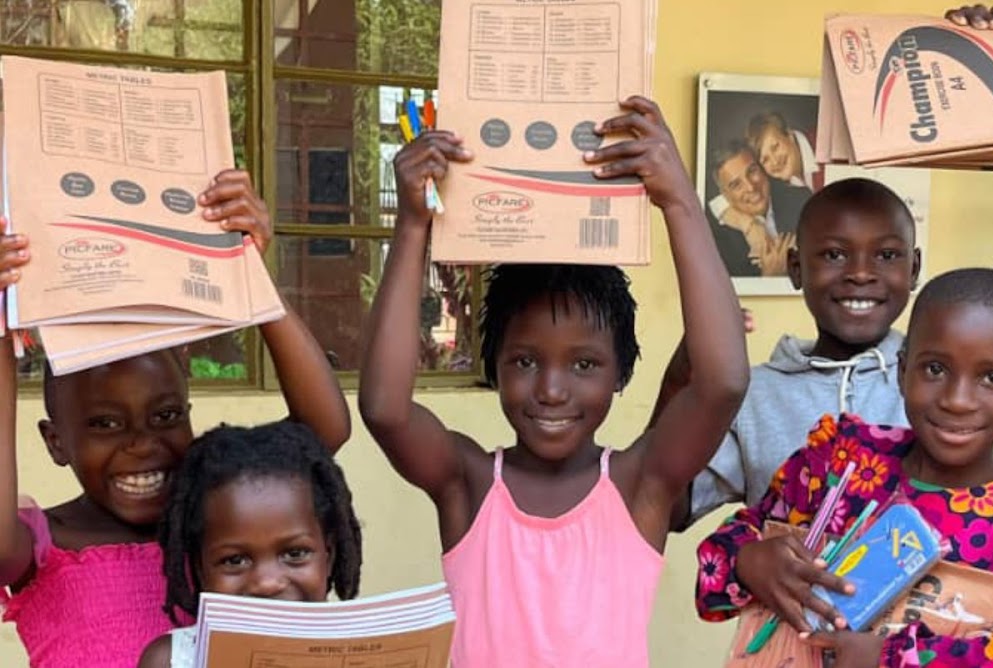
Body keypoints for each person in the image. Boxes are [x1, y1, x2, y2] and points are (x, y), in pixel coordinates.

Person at [358, 96, 749, 666]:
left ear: (622, 373)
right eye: (525, 361)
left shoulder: (640, 485)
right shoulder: (468, 484)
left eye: (584, 365)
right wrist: (414, 222)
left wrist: (679, 200)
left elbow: (723, 384)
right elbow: (385, 410)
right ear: (492, 366)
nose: (552, 389)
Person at [0, 170, 352, 668]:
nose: (142, 443)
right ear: (56, 442)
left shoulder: (218, 523)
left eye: (165, 415)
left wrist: (246, 268)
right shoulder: (44, 545)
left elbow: (322, 435)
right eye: (105, 424)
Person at [695, 267, 993, 668]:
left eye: (992, 377)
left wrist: (891, 659)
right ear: (902, 370)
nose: (958, 400)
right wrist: (749, 561)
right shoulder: (843, 461)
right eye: (935, 369)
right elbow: (719, 564)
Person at [665, 178, 922, 530]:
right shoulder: (754, 395)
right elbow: (669, 509)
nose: (861, 273)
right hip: (779, 585)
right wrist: (680, 380)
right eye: (834, 255)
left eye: (887, 255)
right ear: (796, 268)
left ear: (914, 269)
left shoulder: (939, 382)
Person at [137, 420, 362, 667]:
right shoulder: (174, 661)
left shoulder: (361, 651)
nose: (266, 584)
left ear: (328, 556)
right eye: (235, 560)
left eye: (295, 554)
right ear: (201, 570)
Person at [708, 140, 809, 277]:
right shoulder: (717, 244)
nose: (751, 187)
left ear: (762, 169)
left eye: (752, 171)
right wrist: (770, 275)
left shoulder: (802, 199)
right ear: (725, 196)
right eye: (736, 185)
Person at [745, 111, 823, 193]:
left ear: (789, 135)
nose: (775, 162)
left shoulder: (827, 146)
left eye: (775, 147)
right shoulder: (791, 182)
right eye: (765, 160)